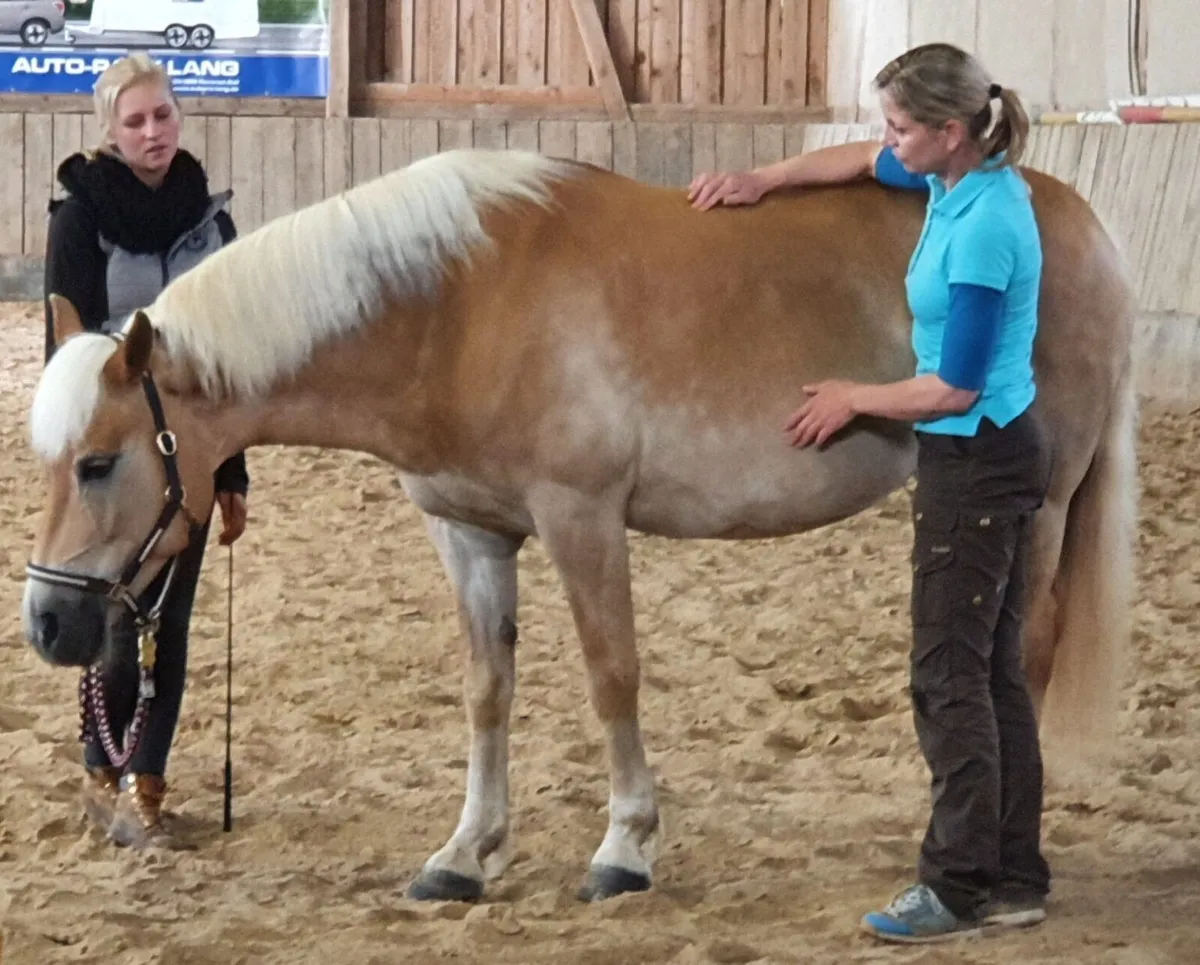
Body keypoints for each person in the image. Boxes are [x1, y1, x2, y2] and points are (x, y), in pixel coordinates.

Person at [689, 43, 1052, 943]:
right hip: (992, 451)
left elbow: (952, 387)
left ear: (948, 130)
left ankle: (961, 884)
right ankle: (1013, 873)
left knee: (948, 674)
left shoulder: (985, 228)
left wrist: (853, 396)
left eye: (899, 126)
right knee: (992, 668)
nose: (885, 140)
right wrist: (763, 179)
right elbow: (855, 160)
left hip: (974, 453)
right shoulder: (958, 181)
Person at [43, 52, 250, 850]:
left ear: (179, 116)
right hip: (115, 458)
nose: (153, 131)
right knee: (120, 624)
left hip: (192, 453)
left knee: (175, 621)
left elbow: (232, 365)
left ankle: (146, 784)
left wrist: (233, 471)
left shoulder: (212, 219)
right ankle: (103, 763)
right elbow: (69, 363)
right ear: (109, 130)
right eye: (135, 120)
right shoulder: (77, 220)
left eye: (162, 115)